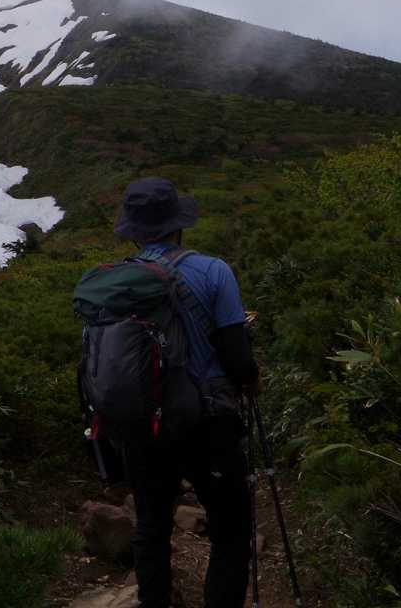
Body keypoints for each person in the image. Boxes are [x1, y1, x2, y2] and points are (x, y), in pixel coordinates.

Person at [113, 177, 259, 608]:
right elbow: (237, 356)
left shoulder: (116, 282)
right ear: (179, 225)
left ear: (135, 232)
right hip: (207, 421)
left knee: (151, 528)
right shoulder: (213, 271)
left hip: (142, 424)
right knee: (231, 527)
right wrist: (250, 379)